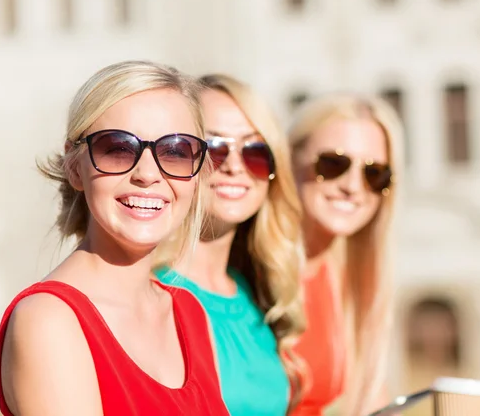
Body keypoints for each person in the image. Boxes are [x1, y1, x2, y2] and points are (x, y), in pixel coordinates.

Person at [0, 60, 229, 416]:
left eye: (176, 151)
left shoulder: (190, 312)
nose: (148, 174)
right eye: (117, 148)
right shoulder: (49, 321)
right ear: (75, 167)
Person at [155, 74, 305, 415]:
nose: (236, 166)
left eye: (256, 151)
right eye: (213, 149)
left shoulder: (256, 294)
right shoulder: (150, 293)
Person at [288, 93, 404, 415]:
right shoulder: (247, 272)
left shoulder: (342, 282)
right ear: (290, 160)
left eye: (374, 174)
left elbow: (373, 401)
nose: (353, 186)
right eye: (333, 164)